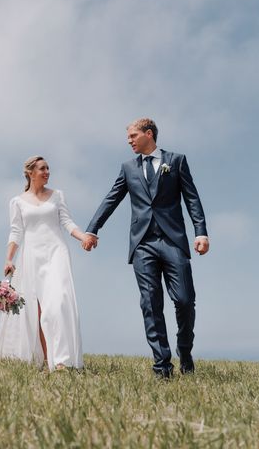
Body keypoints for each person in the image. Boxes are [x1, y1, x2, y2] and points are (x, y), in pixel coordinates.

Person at [82, 118, 209, 379]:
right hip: (142, 244)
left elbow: (192, 198)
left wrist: (201, 232)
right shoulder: (128, 168)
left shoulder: (175, 161)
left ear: (148, 134)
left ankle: (184, 351)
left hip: (173, 241)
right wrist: (93, 229)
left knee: (185, 300)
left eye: (132, 136)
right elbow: (112, 198)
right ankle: (162, 367)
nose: (129, 141)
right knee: (150, 304)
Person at [0, 156, 88, 371]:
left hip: (57, 252)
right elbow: (16, 231)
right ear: (30, 173)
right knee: (39, 311)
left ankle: (62, 361)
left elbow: (67, 222)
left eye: (48, 168)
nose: (47, 172)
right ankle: (46, 359)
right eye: (42, 169)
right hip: (32, 255)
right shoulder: (17, 202)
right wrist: (9, 258)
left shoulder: (57, 196)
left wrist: (84, 237)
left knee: (59, 302)